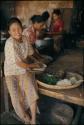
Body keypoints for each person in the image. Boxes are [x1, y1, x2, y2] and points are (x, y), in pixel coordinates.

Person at [4, 17, 41, 124]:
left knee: (30, 88)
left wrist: (38, 60)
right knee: (15, 98)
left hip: (22, 70)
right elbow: (19, 63)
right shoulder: (10, 43)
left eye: (19, 28)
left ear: (22, 28)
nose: (17, 32)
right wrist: (33, 65)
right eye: (13, 30)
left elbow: (30, 53)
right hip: (11, 72)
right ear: (9, 32)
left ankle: (33, 119)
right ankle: (26, 118)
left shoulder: (25, 38)